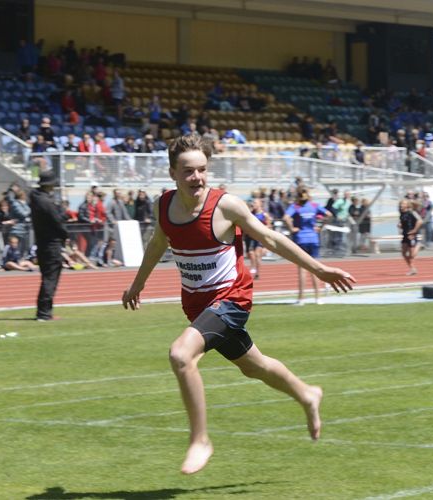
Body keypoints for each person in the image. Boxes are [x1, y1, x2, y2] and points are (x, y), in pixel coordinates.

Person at [122, 136, 355, 475]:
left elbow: (271, 239)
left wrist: (319, 269)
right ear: (172, 173)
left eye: (202, 170)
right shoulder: (164, 206)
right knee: (254, 366)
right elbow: (158, 243)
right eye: (188, 171)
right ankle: (307, 394)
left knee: (180, 355)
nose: (197, 177)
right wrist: (138, 283)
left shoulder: (226, 206)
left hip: (231, 301)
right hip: (199, 307)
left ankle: (200, 439)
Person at [29, 170, 68, 321]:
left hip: (43, 243)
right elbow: (57, 221)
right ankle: (44, 313)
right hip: (51, 244)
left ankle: (45, 311)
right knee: (50, 278)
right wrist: (65, 234)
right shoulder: (46, 202)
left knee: (47, 277)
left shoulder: (37, 199)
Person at [283, 187, 330, 304]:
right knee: (315, 269)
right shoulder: (314, 205)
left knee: (302, 270)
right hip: (313, 239)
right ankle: (318, 298)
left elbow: (285, 217)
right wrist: (320, 227)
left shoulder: (295, 207)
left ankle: (301, 299)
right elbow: (329, 214)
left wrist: (292, 229)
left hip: (301, 239)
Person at [244, 198, 272, 279]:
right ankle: (253, 266)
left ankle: (257, 272)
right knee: (250, 254)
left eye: (255, 202)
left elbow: (269, 226)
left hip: (259, 237)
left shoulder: (264, 214)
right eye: (253, 202)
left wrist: (261, 228)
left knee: (257, 254)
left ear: (260, 204)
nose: (254, 204)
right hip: (250, 237)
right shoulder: (250, 213)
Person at [398, 199, 423, 276]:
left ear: (407, 205)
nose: (401, 205)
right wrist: (400, 225)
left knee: (412, 256)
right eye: (401, 203)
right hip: (405, 235)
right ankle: (412, 269)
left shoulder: (411, 212)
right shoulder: (401, 213)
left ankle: (419, 245)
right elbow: (404, 223)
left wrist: (414, 230)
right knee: (403, 253)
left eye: (403, 203)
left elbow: (420, 221)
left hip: (411, 235)